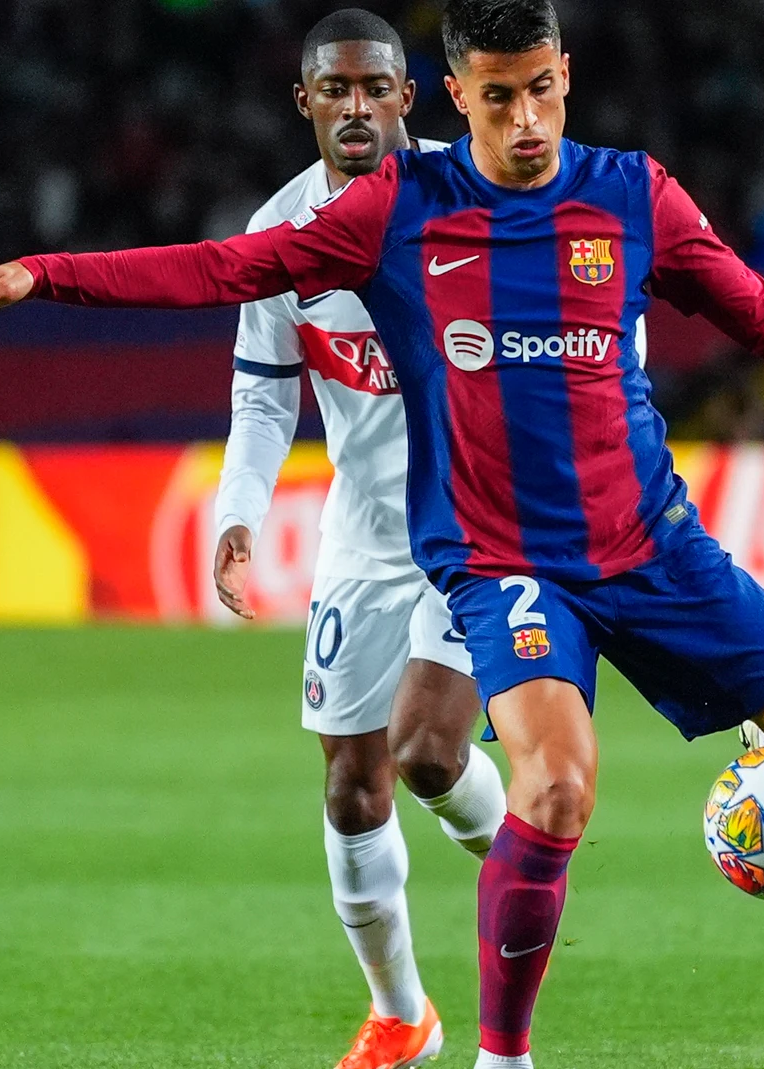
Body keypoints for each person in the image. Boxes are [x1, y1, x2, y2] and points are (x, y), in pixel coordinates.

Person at [0, 2, 764, 1064]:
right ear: (456, 96)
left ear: (565, 75)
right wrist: (45, 274)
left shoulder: (633, 194)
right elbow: (225, 270)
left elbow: (761, 312)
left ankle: (756, 751)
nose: (524, 119)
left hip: (655, 546)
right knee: (553, 785)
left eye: (539, 90)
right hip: (502, 563)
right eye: (497, 97)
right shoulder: (398, 208)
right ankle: (501, 1056)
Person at [208, 11, 506, 1069]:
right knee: (350, 782)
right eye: (333, 90)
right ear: (306, 103)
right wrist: (236, 512)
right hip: (365, 537)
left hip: (480, 523)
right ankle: (401, 1013)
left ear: (406, 98)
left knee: (427, 753)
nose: (354, 106)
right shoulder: (281, 235)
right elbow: (259, 400)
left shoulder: (473, 200)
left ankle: (521, 846)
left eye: (373, 88)